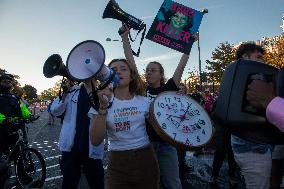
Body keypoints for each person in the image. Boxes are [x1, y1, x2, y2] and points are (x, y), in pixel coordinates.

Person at [120, 24, 197, 189]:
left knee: (173, 183)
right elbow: (131, 64)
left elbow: (181, 66)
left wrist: (189, 44)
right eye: (147, 70)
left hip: (167, 145)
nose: (148, 73)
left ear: (161, 75)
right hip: (146, 145)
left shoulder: (169, 88)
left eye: (153, 70)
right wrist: (125, 38)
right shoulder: (141, 89)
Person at [89, 58, 160, 189]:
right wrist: (103, 108)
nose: (119, 72)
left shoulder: (144, 101)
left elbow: (161, 126)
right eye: (113, 70)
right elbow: (95, 140)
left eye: (123, 69)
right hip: (117, 162)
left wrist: (175, 98)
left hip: (145, 159)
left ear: (132, 76)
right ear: (107, 76)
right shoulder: (99, 102)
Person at [230, 42, 273, 189]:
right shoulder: (248, 80)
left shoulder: (238, 77)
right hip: (253, 146)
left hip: (250, 144)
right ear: (245, 58)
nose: (263, 61)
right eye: (259, 57)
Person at [50, 78, 104, 189]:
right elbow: (55, 111)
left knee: (97, 182)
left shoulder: (101, 91)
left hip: (91, 145)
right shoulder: (71, 91)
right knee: (69, 182)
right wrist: (64, 95)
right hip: (71, 147)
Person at [0, 74, 31, 188]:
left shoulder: (14, 97)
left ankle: (22, 178)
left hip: (14, 130)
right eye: (4, 80)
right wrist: (3, 120)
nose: (7, 82)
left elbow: (22, 107)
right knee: (2, 159)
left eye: (9, 81)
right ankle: (4, 180)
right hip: (1, 131)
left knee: (18, 156)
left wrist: (29, 116)